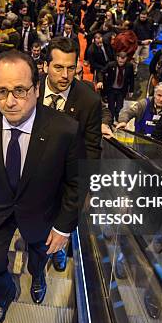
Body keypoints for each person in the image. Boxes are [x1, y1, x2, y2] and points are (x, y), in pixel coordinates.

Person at [0, 50, 83, 323]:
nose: (9, 101)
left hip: (41, 211)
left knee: (38, 257)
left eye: (19, 90)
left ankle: (38, 277)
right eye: (1, 91)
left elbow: (76, 183)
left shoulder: (65, 129)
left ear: (36, 88)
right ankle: (4, 296)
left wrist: (64, 228)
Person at [38, 37, 102, 270]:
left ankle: (59, 249)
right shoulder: (29, 89)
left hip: (66, 182)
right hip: (30, 179)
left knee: (62, 223)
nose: (65, 75)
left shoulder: (89, 101)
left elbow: (93, 150)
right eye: (58, 67)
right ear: (45, 66)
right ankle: (37, 269)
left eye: (71, 68)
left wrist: (89, 188)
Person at [97, 51, 135, 122]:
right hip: (111, 89)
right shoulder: (111, 65)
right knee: (111, 107)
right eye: (120, 61)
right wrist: (100, 81)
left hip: (121, 90)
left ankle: (117, 118)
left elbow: (132, 78)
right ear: (117, 58)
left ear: (126, 59)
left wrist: (131, 90)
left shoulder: (129, 66)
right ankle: (110, 121)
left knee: (119, 107)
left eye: (123, 62)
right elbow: (101, 72)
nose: (121, 63)